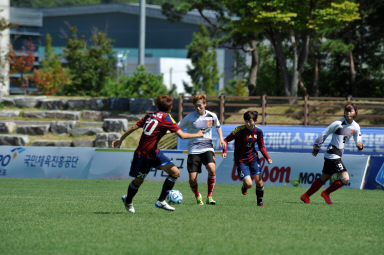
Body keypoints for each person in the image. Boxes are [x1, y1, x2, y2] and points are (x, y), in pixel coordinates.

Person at [112, 94, 204, 213]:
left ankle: (161, 201)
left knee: (175, 172)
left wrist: (121, 139)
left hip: (153, 153)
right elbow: (182, 135)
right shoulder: (167, 118)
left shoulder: (150, 115)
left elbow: (134, 127)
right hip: (144, 155)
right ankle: (128, 200)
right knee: (139, 180)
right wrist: (197, 134)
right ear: (170, 107)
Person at [300, 102, 363, 205]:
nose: (348, 113)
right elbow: (324, 134)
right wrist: (317, 147)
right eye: (346, 111)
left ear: (355, 112)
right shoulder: (337, 124)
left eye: (350, 111)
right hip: (333, 153)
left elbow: (358, 140)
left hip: (334, 155)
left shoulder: (356, 127)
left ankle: (306, 196)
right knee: (345, 178)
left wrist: (360, 145)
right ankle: (326, 193)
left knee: (324, 177)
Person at [178, 94, 225, 205]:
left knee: (211, 168)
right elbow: (177, 128)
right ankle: (198, 196)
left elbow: (218, 127)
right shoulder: (190, 117)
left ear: (204, 104)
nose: (198, 108)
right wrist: (166, 130)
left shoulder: (212, 115)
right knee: (192, 179)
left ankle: (210, 197)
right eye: (195, 106)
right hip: (193, 150)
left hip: (207, 147)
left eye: (199, 106)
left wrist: (221, 139)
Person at [222, 110, 272, 207]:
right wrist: (224, 151)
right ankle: (245, 186)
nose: (248, 123)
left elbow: (261, 146)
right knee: (249, 184)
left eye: (250, 121)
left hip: (253, 158)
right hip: (241, 160)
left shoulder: (258, 131)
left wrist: (267, 158)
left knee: (259, 181)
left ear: (255, 121)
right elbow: (225, 140)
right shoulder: (239, 130)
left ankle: (260, 202)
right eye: (246, 121)